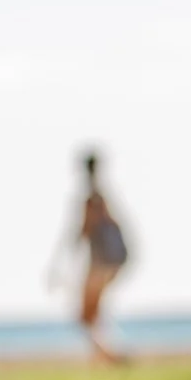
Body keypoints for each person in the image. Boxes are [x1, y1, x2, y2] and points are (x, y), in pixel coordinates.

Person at [64, 150, 130, 365]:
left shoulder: (93, 198)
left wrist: (66, 255)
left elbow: (85, 229)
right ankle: (106, 357)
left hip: (99, 263)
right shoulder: (102, 195)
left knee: (87, 315)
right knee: (92, 315)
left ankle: (110, 356)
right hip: (106, 262)